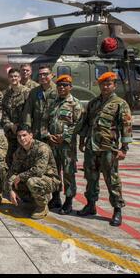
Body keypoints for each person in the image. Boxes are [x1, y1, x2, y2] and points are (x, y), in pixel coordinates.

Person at [77, 72, 133, 227]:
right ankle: (90, 205)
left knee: (112, 179)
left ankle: (117, 210)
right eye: (103, 84)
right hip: (92, 147)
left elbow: (126, 127)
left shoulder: (120, 103)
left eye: (109, 84)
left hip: (109, 148)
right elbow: (86, 123)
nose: (105, 87)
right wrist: (82, 141)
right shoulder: (93, 103)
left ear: (114, 85)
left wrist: (124, 149)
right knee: (90, 177)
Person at [5, 125, 61, 220]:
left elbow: (39, 171)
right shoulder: (19, 151)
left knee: (32, 182)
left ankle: (42, 206)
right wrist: (11, 189)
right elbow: (12, 171)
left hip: (50, 179)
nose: (22, 138)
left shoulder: (42, 148)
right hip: (31, 177)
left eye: (24, 135)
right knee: (10, 181)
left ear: (31, 135)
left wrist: (20, 176)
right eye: (19, 136)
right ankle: (32, 200)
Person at [46, 75, 83, 214]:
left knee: (68, 173)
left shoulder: (75, 104)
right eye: (59, 85)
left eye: (65, 85)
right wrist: (48, 135)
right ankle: (56, 198)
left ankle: (68, 201)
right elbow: (46, 121)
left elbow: (77, 125)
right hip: (53, 144)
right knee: (54, 172)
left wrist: (64, 137)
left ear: (70, 87)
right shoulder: (53, 103)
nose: (62, 87)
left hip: (67, 146)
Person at [1, 68, 30, 166]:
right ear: (8, 78)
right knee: (9, 158)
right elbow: (4, 113)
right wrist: (10, 125)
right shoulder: (5, 94)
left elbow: (29, 112)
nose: (14, 78)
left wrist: (20, 126)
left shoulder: (26, 92)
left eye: (16, 76)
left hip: (23, 132)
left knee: (23, 159)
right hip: (10, 133)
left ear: (20, 78)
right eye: (11, 76)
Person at [22, 65, 57, 141]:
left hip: (52, 133)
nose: (42, 76)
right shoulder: (34, 92)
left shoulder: (58, 91)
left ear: (51, 75)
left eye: (45, 74)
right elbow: (28, 111)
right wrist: (27, 128)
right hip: (36, 132)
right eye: (40, 74)